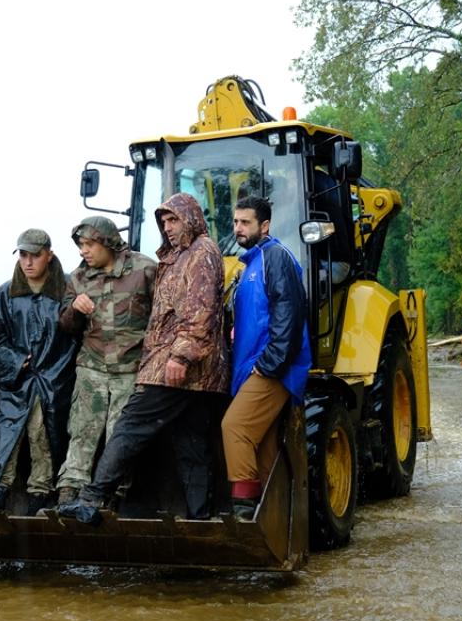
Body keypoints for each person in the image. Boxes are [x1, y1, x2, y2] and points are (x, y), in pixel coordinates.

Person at [59, 193, 228, 524]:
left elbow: (200, 311)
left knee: (129, 426)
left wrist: (180, 357)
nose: (168, 228)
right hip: (187, 369)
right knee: (191, 445)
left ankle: (92, 499)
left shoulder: (201, 253)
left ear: (192, 218)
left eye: (174, 220)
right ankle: (199, 520)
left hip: (175, 365)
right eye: (164, 222)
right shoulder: (178, 256)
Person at [0, 229, 78, 515]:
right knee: (6, 437)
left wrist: (60, 372)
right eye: (23, 255)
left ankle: (39, 495)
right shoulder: (5, 295)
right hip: (15, 382)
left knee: (43, 436)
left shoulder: (67, 291)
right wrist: (16, 361)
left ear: (49, 255)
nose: (28, 262)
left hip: (54, 380)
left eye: (35, 255)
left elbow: (80, 336)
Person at [54, 216, 157, 506]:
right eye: (80, 245)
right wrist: (74, 309)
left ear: (108, 242)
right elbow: (66, 326)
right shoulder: (78, 278)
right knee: (82, 431)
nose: (83, 251)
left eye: (89, 244)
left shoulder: (145, 269)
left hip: (131, 368)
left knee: (120, 436)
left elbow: (163, 316)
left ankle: (113, 496)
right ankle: (69, 492)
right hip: (92, 367)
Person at [220, 196, 312, 520]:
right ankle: (279, 521)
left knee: (236, 427)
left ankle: (245, 510)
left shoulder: (276, 257)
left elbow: (289, 315)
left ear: (265, 225)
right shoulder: (249, 264)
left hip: (273, 368)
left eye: (245, 222)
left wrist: (269, 364)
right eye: (235, 222)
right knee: (266, 447)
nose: (238, 228)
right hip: (253, 367)